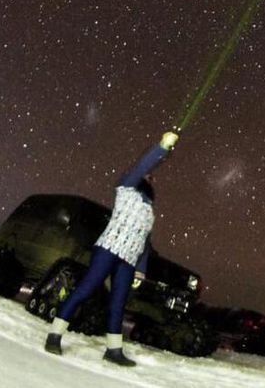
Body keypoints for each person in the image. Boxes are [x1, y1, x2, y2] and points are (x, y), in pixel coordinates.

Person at [44, 130, 179, 366]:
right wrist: (162, 148)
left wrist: (140, 270)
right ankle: (54, 335)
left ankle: (113, 350)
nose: (149, 177)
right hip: (109, 249)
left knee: (118, 303)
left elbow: (145, 241)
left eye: (151, 177)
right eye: (146, 175)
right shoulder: (126, 187)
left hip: (129, 259)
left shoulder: (149, 211)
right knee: (85, 290)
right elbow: (143, 164)